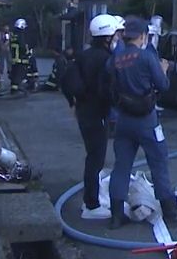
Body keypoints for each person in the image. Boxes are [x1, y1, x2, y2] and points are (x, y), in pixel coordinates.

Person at [106, 17, 177, 229]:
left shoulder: (114, 59)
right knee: (159, 163)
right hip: (147, 120)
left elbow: (109, 85)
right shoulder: (147, 57)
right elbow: (163, 85)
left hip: (123, 120)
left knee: (121, 166)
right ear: (142, 36)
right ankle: (171, 213)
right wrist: (164, 68)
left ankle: (116, 216)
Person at [62, 14, 117, 220]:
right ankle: (91, 205)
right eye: (114, 35)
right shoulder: (105, 59)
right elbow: (106, 91)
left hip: (84, 111)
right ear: (107, 37)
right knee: (96, 159)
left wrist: (74, 102)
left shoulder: (84, 55)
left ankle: (91, 200)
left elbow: (67, 80)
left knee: (92, 157)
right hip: (96, 114)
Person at [9, 19, 34, 94]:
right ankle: (17, 89)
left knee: (14, 74)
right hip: (20, 58)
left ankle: (13, 88)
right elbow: (23, 46)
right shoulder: (21, 34)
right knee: (19, 74)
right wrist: (28, 52)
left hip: (14, 58)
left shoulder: (13, 34)